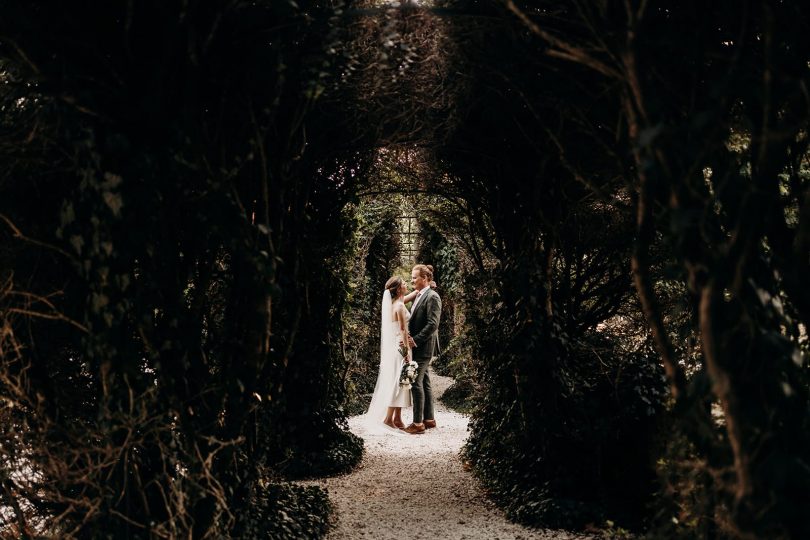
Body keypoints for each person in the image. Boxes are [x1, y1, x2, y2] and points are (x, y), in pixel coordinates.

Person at [364, 276, 413, 432]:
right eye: (404, 283)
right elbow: (403, 330)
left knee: (401, 380)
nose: (407, 284)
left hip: (395, 346)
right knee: (398, 381)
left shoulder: (395, 304)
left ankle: (397, 419)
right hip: (400, 347)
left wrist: (418, 292)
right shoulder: (398, 306)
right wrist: (406, 352)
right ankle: (388, 419)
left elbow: (406, 298)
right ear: (398, 289)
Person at [403, 264, 441, 434]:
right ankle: (429, 419)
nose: (412, 280)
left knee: (415, 382)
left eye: (414, 277)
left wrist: (415, 341)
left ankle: (418, 424)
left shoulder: (432, 297)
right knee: (424, 382)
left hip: (424, 346)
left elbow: (433, 324)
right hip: (419, 345)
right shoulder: (419, 294)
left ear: (424, 279)